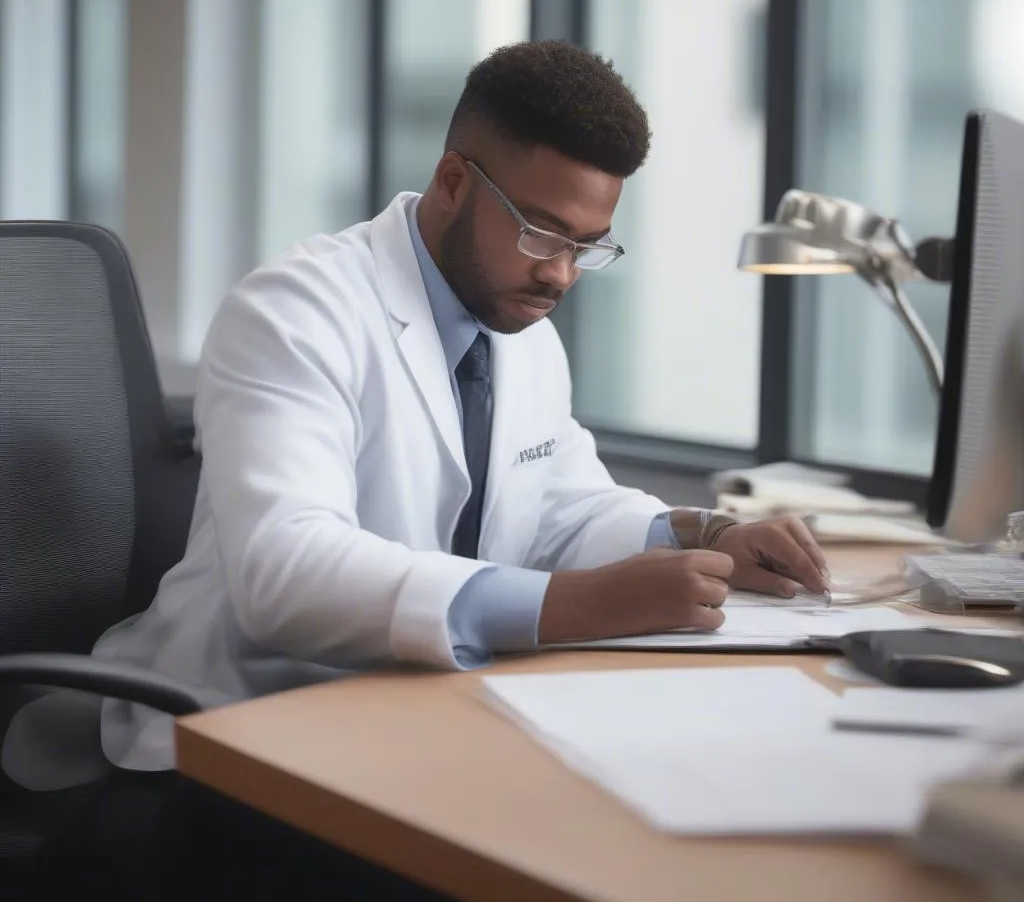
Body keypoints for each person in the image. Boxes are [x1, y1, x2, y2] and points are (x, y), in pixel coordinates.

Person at [93, 39, 828, 776]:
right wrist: (571, 606)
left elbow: (564, 509)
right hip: (237, 730)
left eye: (588, 246)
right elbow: (285, 575)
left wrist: (705, 534)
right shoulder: (295, 308)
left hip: (413, 717)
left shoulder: (517, 320)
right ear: (453, 181)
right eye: (542, 232)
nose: (561, 274)